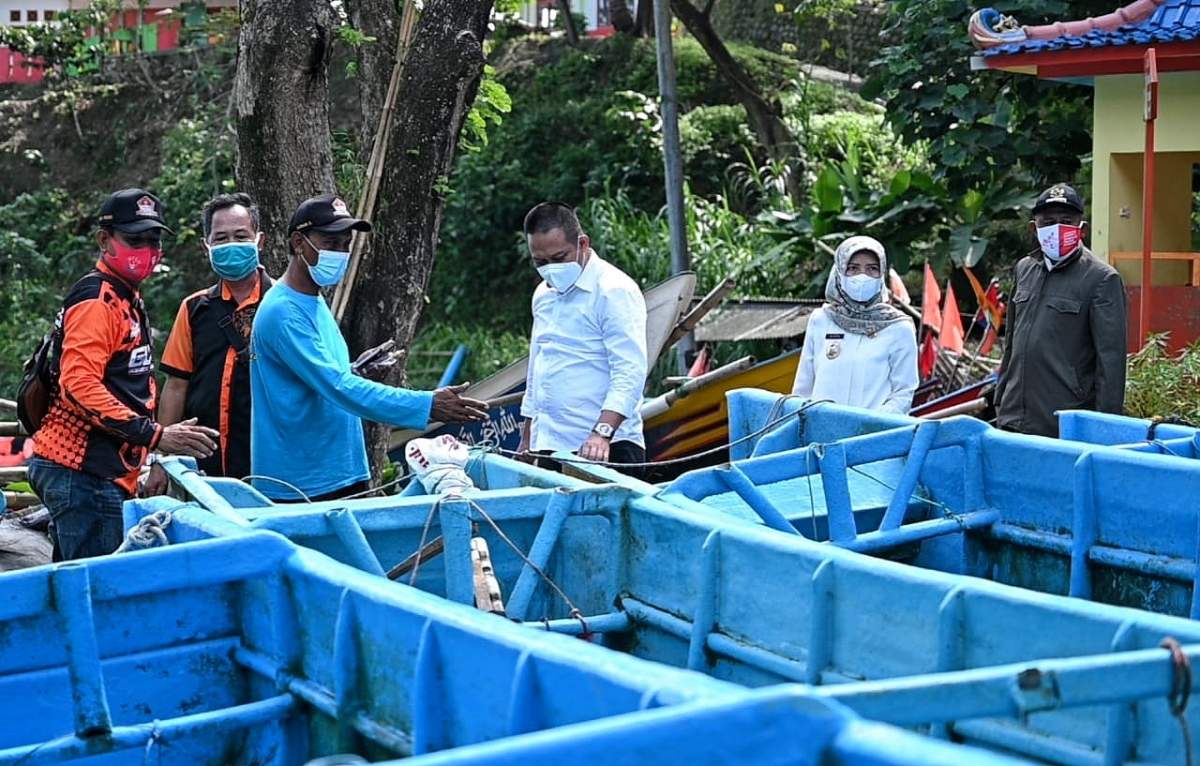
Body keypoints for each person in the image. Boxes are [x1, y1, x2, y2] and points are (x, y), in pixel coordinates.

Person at [249, 193, 489, 502]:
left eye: (345, 244)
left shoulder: (312, 299)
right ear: (298, 242)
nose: (340, 252)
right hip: (306, 484)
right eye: (330, 242)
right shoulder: (283, 311)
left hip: (337, 471)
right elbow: (337, 387)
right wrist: (427, 405)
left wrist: (356, 370)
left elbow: (315, 379)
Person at [27, 189, 219, 560]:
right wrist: (157, 435)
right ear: (104, 240)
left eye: (153, 239)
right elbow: (79, 385)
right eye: (134, 240)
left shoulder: (125, 296)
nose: (146, 249)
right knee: (98, 593)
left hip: (98, 470)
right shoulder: (98, 301)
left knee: (79, 585)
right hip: (81, 470)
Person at [144, 193, 272, 496]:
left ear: (260, 241)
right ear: (207, 246)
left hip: (272, 462)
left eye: (241, 236)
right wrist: (161, 461)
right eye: (221, 238)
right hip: (204, 466)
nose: (231, 245)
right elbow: (176, 385)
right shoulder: (194, 309)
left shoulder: (282, 305)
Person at [517, 202, 649, 471]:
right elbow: (537, 369)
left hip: (606, 446)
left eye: (559, 258)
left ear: (583, 243)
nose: (550, 269)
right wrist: (528, 437)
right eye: (540, 262)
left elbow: (630, 370)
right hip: (550, 446)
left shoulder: (614, 290)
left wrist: (602, 433)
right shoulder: (543, 295)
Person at [995, 184, 1127, 438]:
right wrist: (1001, 397)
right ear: (1034, 228)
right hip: (1013, 417)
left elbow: (1110, 363)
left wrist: (1103, 429)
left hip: (1063, 423)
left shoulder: (1101, 279)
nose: (1056, 228)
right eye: (1048, 222)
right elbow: (1010, 342)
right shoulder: (1024, 269)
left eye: (1066, 221)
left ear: (1082, 229)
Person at [791, 235, 918, 414]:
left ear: (881, 274)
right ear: (839, 272)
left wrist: (870, 425)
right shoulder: (821, 320)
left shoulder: (898, 328)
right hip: (820, 432)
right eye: (853, 268)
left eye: (872, 269)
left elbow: (903, 393)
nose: (862, 276)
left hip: (870, 435)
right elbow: (802, 390)